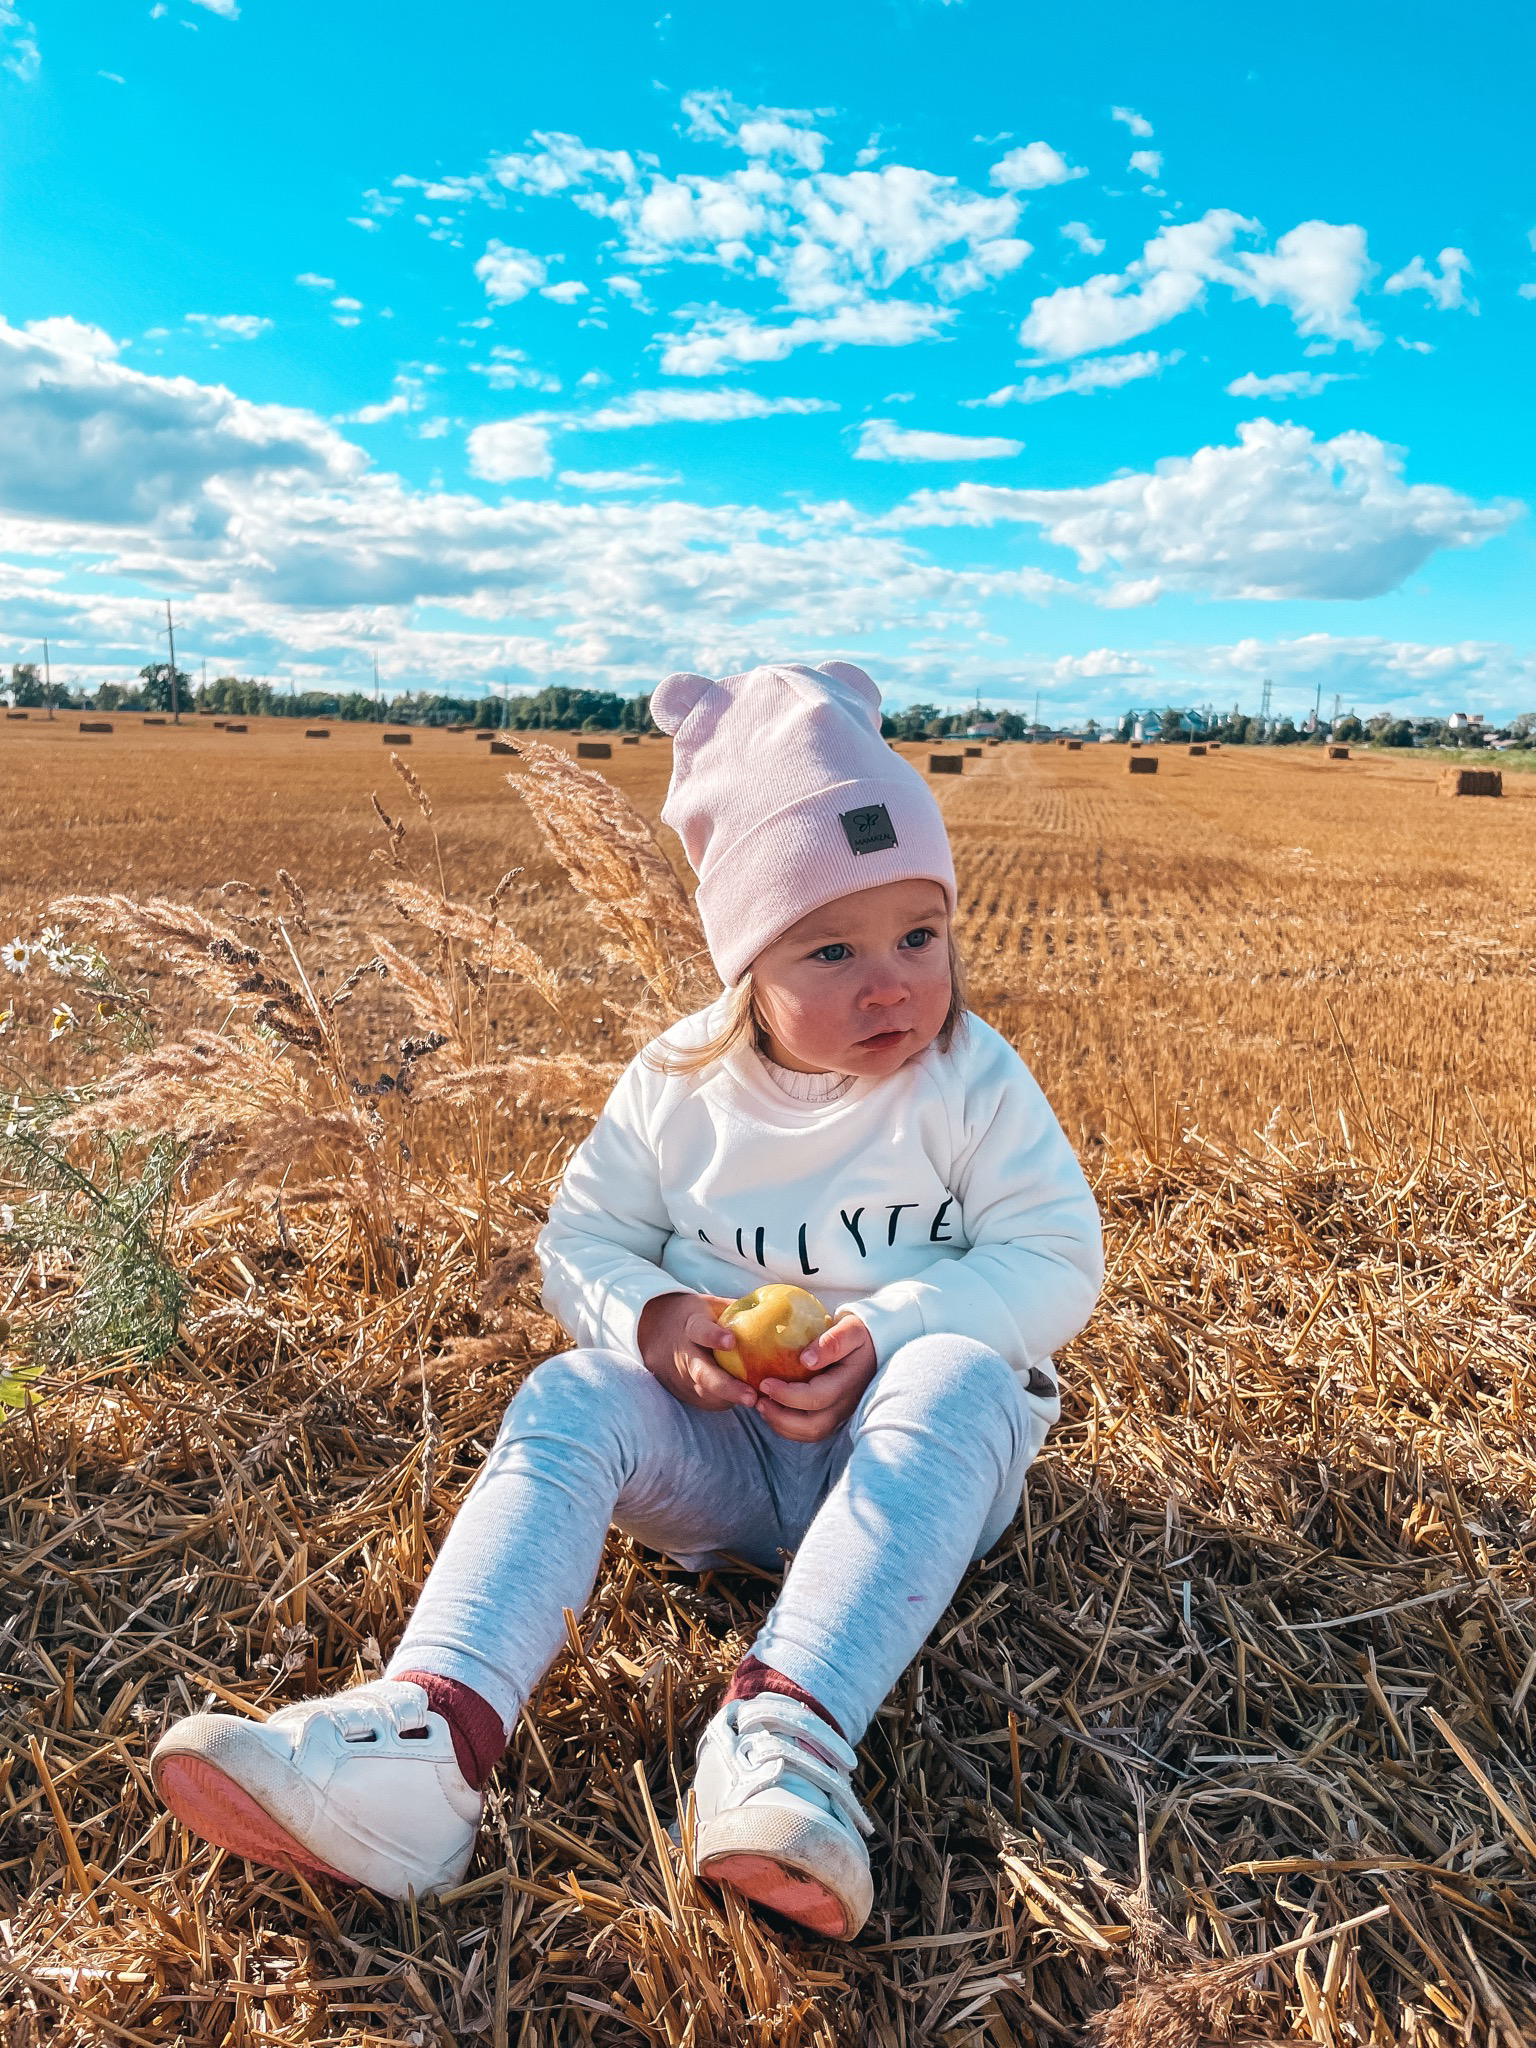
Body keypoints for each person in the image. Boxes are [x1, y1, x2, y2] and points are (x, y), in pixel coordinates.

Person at [151, 661, 1103, 1940]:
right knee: (568, 1394)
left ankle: (784, 1735)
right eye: (834, 946)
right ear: (748, 962)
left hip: (919, 1468)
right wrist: (655, 1321)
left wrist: (888, 1326)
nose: (893, 982)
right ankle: (430, 1738)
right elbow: (585, 1237)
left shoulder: (970, 1080)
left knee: (958, 1370)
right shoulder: (675, 1084)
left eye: (918, 935)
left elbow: (1055, 1255)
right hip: (719, 1464)